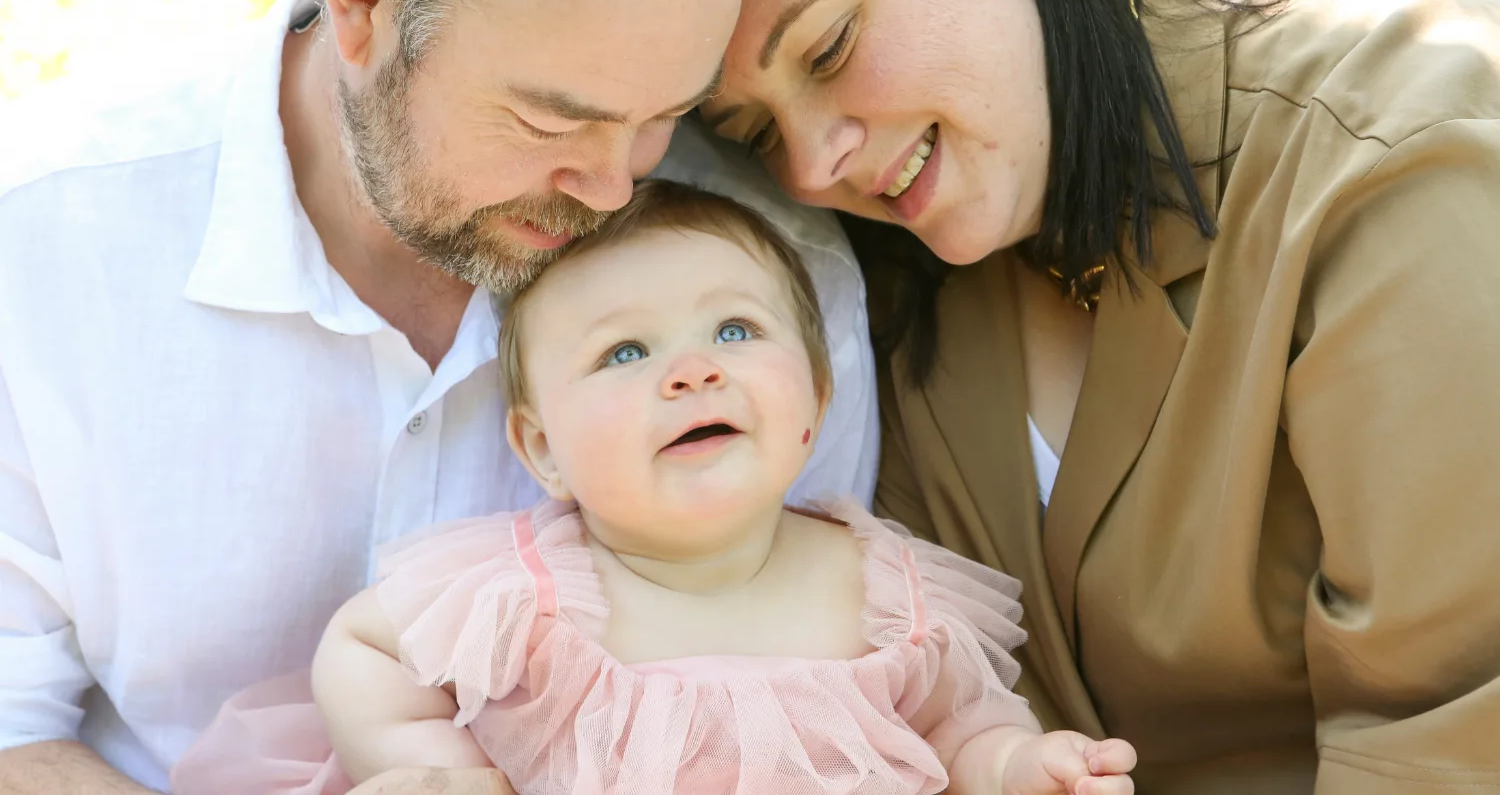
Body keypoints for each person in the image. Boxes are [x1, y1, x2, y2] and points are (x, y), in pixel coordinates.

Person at [0, 0, 879, 793]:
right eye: (553, 121)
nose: (615, 188)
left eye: (665, 116)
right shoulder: (39, 250)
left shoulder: (764, 277)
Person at [698, 0, 1500, 792]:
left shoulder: (1398, 147)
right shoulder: (889, 269)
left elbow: (1448, 734)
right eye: (756, 136)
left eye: (828, 49)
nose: (816, 166)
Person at [169, 180, 1138, 795]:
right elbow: (364, 644)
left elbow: (966, 717)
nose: (691, 372)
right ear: (541, 448)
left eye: (733, 332)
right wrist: (429, 770)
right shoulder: (528, 595)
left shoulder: (894, 594)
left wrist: (1018, 765)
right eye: (626, 351)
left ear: (816, 399)